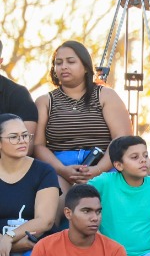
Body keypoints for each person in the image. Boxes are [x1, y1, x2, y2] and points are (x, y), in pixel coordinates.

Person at [34, 40, 127, 187]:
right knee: (57, 196)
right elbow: (38, 145)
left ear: (85, 67)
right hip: (59, 168)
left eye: (71, 62)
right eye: (58, 63)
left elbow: (121, 138)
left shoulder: (106, 95)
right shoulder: (45, 101)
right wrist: (62, 170)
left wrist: (97, 170)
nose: (63, 66)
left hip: (104, 165)